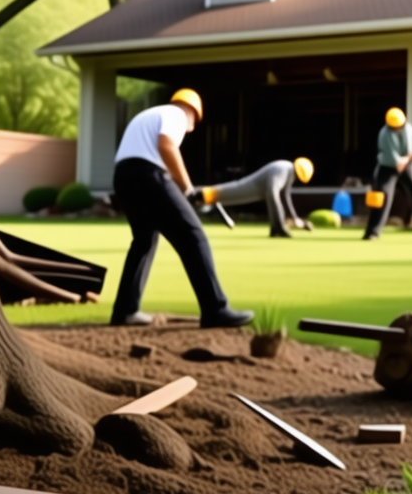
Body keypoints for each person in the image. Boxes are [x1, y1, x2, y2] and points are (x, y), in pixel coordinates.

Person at [110, 89, 252, 328]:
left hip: (123, 176)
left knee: (143, 241)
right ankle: (215, 309)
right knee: (193, 236)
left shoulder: (149, 115)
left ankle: (125, 310)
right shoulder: (176, 114)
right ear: (194, 115)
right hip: (148, 175)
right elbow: (166, 146)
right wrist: (187, 188)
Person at [196, 157, 314, 237]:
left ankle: (198, 194)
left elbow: (285, 196)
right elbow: (272, 192)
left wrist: (295, 218)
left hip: (258, 189)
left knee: (228, 192)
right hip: (252, 187)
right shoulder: (285, 169)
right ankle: (196, 194)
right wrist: (279, 225)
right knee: (228, 192)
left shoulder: (288, 171)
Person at [364, 107, 412, 240]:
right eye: (394, 127)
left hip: (407, 164)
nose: (397, 129)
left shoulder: (409, 129)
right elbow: (397, 163)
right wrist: (407, 158)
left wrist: (409, 157)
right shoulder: (384, 134)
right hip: (387, 166)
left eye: (400, 126)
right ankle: (372, 232)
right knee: (383, 197)